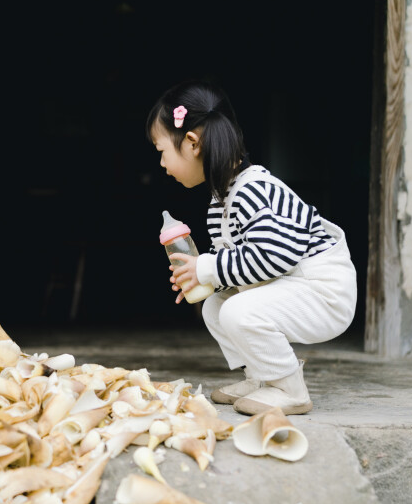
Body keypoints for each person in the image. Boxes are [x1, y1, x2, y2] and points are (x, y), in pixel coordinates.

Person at [147, 81, 356, 415]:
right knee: (216, 304)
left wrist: (208, 267)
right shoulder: (221, 201)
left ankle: (289, 388)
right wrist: (204, 279)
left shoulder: (253, 189)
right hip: (292, 283)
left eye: (162, 151)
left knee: (237, 311)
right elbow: (242, 268)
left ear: (191, 143)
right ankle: (261, 378)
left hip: (323, 291)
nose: (161, 164)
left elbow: (273, 256)